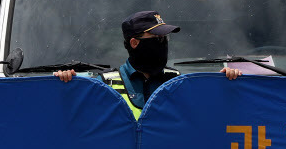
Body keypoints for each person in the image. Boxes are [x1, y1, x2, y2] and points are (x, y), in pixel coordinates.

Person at [54, 10, 241, 119]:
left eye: (165, 38)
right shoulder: (105, 84)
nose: (163, 43)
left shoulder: (178, 81)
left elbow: (208, 111)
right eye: (157, 38)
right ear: (135, 43)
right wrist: (66, 80)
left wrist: (225, 81)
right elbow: (73, 113)